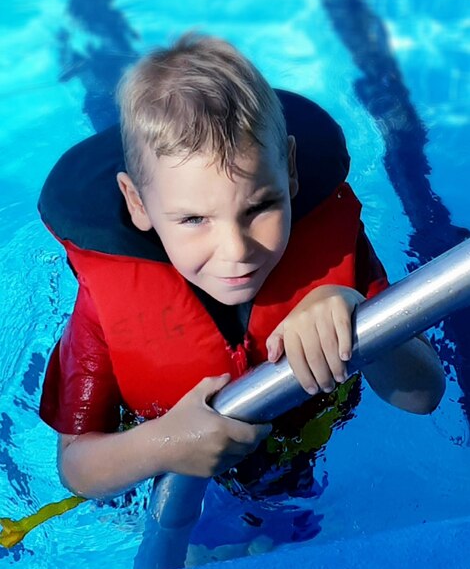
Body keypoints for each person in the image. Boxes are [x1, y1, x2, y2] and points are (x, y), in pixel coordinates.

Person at [38, 33, 445, 515]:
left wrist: (358, 318)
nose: (237, 251)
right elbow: (77, 466)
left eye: (261, 206)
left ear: (290, 171)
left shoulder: (336, 256)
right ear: (138, 203)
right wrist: (165, 444)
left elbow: (423, 395)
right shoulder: (103, 303)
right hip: (180, 481)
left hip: (308, 446)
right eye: (193, 220)